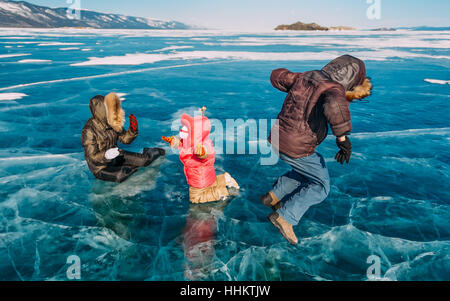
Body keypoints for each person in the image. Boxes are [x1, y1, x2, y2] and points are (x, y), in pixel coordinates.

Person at [263, 55, 372, 245]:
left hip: (278, 137)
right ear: (351, 78)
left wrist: (289, 77)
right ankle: (285, 217)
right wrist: (343, 139)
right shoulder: (333, 89)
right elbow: (334, 106)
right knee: (321, 185)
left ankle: (274, 195)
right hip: (295, 144)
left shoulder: (306, 77)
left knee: (308, 170)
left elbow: (277, 76)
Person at [81, 92, 165, 183]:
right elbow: (91, 156)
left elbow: (125, 139)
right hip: (101, 167)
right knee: (121, 175)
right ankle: (126, 168)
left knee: (145, 160)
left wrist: (132, 130)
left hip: (116, 156)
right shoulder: (88, 130)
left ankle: (153, 151)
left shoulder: (112, 122)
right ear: (101, 110)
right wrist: (106, 155)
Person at [164, 108, 239, 204]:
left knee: (196, 197)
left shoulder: (200, 146)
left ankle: (220, 193)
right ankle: (224, 179)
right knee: (210, 183)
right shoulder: (193, 141)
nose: (182, 132)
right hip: (205, 175)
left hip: (199, 177)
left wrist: (202, 154)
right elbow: (182, 143)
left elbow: (206, 156)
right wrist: (173, 141)